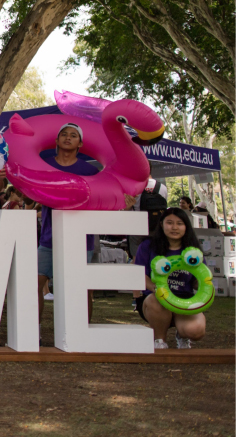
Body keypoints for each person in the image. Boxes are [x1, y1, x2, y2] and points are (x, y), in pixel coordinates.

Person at [36, 124, 136, 331]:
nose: (67, 138)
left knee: (82, 288)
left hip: (81, 239)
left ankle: (81, 332)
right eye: (63, 134)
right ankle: (32, 331)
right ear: (56, 140)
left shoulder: (89, 170)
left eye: (73, 135)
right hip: (49, 237)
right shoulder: (44, 165)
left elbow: (103, 200)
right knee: (36, 283)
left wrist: (123, 203)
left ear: (80, 144)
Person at [133, 209, 206, 349]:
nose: (174, 227)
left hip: (184, 300)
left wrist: (204, 283)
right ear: (161, 224)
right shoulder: (148, 245)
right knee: (156, 300)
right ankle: (159, 340)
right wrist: (156, 288)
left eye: (179, 223)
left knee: (196, 331)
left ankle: (182, 335)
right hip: (156, 299)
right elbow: (140, 273)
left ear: (186, 227)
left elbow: (200, 279)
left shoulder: (192, 250)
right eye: (170, 223)